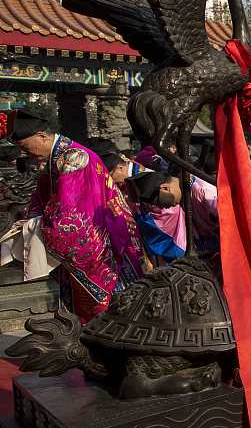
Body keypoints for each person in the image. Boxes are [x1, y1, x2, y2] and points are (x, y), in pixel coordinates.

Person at [3, 109, 144, 322]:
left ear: (41, 135)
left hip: (102, 235)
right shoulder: (58, 156)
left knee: (107, 306)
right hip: (102, 229)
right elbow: (41, 198)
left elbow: (71, 212)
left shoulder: (73, 157)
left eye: (25, 147)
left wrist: (40, 224)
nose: (25, 154)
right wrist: (31, 219)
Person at [125, 170, 187, 266]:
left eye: (164, 205)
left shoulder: (201, 191)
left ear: (165, 188)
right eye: (157, 205)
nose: (163, 208)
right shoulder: (145, 212)